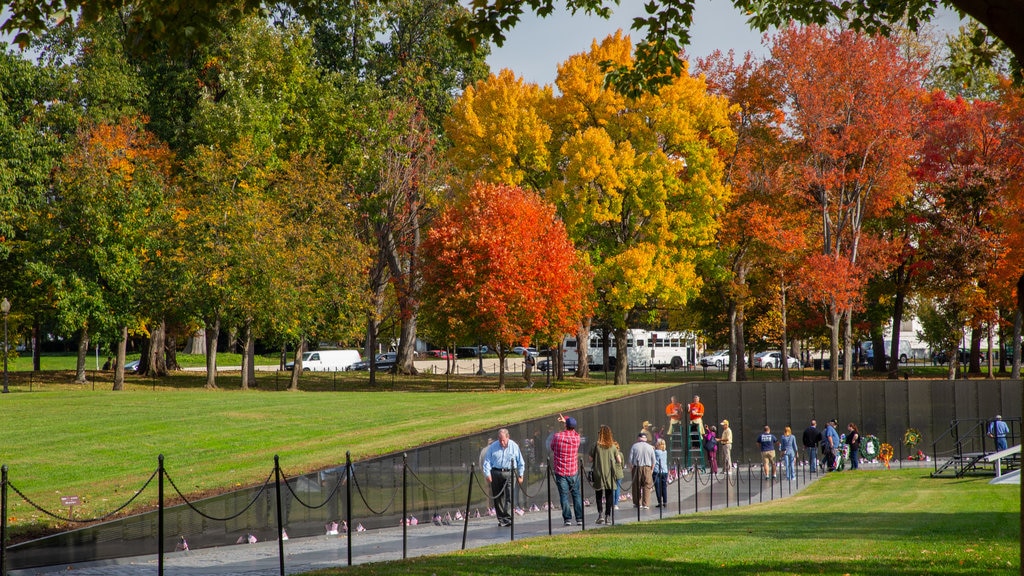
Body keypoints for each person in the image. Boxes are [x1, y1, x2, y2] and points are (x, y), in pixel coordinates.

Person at [481, 428, 525, 527]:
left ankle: (508, 518)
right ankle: (501, 518)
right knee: (498, 497)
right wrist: (487, 474)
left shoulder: (514, 446)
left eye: (503, 440)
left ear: (508, 437)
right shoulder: (493, 446)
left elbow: (521, 462)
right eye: (500, 440)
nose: (502, 442)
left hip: (509, 473)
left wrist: (521, 475)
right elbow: (487, 461)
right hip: (496, 472)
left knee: (509, 495)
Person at [550, 414, 583, 526]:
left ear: (566, 426)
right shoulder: (577, 438)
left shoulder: (558, 437)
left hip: (561, 471)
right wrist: (566, 422)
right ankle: (579, 518)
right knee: (576, 495)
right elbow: (576, 433)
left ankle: (567, 519)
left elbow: (552, 447)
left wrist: (564, 423)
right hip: (573, 470)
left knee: (564, 496)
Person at [589, 425, 623, 524]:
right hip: (609, 474)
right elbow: (619, 460)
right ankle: (608, 516)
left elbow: (590, 459)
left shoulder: (596, 445)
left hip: (598, 473)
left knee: (598, 494)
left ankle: (600, 514)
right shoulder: (612, 446)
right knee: (609, 494)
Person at [628, 432, 655, 509]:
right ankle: (645, 504)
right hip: (647, 468)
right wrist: (652, 469)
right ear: (645, 439)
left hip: (637, 467)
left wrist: (631, 468)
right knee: (647, 486)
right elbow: (654, 460)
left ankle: (637, 503)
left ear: (638, 438)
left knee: (636, 485)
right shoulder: (650, 447)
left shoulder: (634, 446)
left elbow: (630, 459)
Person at [652, 438, 669, 508]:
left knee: (658, 487)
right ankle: (665, 501)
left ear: (658, 444)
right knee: (664, 487)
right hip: (665, 471)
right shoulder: (665, 452)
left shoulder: (656, 452)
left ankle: (660, 501)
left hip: (657, 471)